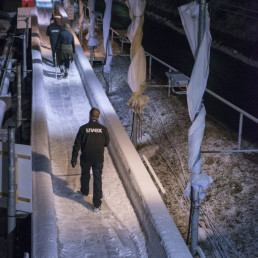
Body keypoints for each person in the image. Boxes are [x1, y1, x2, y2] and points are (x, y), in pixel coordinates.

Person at [71, 108, 110, 212]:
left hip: (86, 157)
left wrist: (74, 157)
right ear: (99, 116)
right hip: (98, 158)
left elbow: (77, 145)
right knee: (97, 179)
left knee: (85, 174)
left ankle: (84, 191)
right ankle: (97, 205)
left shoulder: (83, 128)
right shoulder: (103, 129)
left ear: (89, 116)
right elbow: (106, 143)